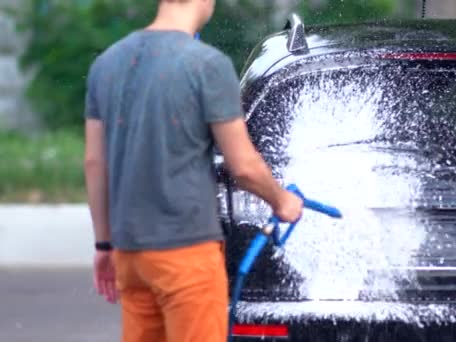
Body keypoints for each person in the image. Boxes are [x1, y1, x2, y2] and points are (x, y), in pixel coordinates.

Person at [83, 0, 304, 341]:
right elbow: (243, 166)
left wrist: (103, 244)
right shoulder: (207, 65)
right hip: (186, 253)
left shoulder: (107, 63)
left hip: (130, 254)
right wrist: (281, 201)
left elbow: (95, 163)